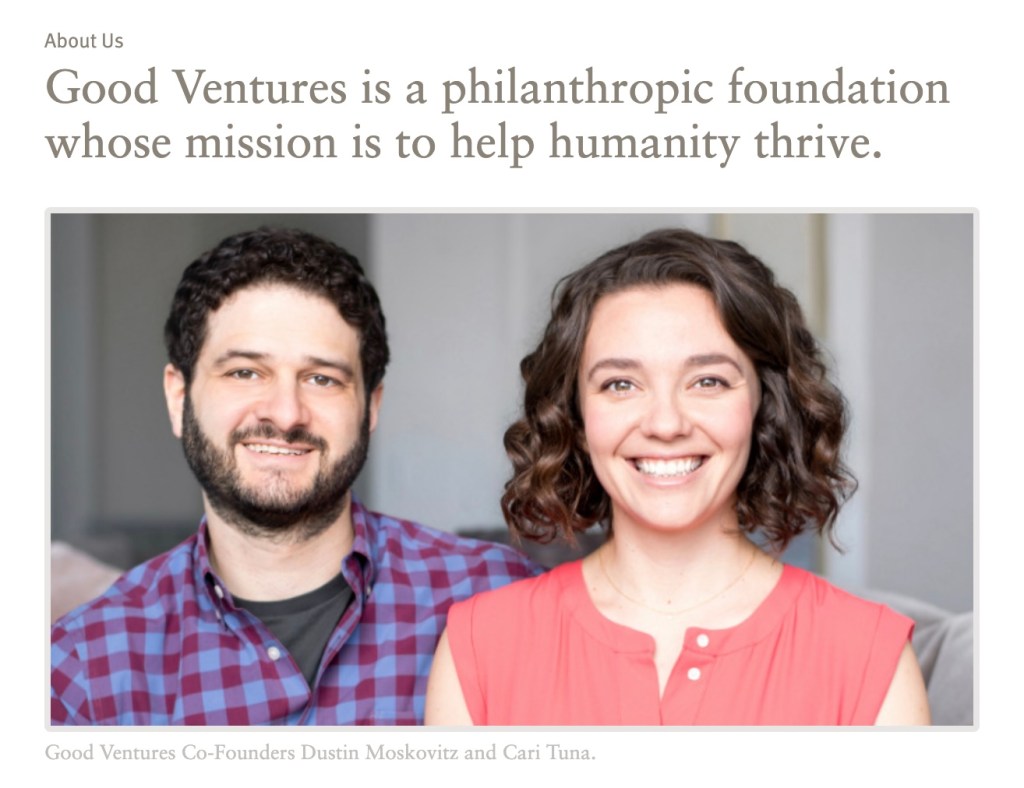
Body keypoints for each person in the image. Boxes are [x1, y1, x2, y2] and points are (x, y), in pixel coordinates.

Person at [426, 228, 930, 726]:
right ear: (575, 416)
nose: (665, 424)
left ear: (765, 405)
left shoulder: (869, 658)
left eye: (707, 381)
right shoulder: (480, 645)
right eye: (620, 384)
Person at [50, 227, 536, 725]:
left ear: (371, 407)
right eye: (244, 372)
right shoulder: (84, 665)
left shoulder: (501, 599)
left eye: (322, 379)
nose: (285, 414)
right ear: (179, 398)